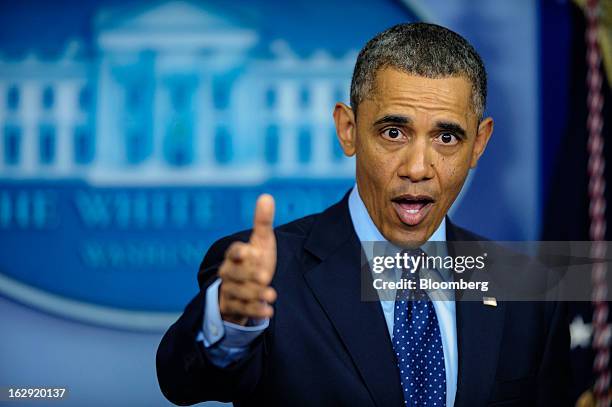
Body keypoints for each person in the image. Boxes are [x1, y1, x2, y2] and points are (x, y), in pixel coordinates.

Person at [156, 22, 570, 407]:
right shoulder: (267, 275)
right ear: (348, 130)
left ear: (478, 143)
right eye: (394, 132)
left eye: (447, 137)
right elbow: (182, 382)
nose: (418, 167)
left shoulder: (529, 292)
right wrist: (230, 320)